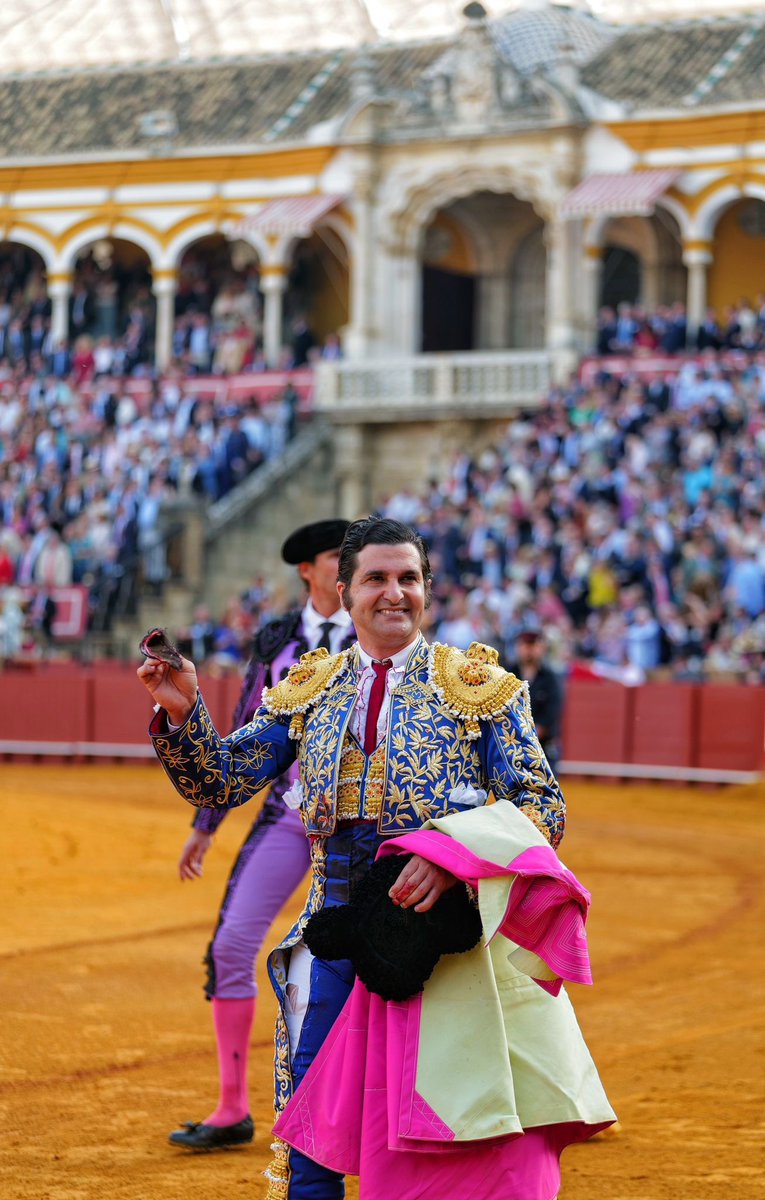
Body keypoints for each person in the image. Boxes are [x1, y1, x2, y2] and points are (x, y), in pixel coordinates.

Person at [139, 517, 611, 1199]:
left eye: (408, 579)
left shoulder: (476, 687)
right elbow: (222, 780)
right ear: (344, 589)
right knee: (313, 1132)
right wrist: (186, 716)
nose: (394, 593)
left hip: (439, 941)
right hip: (335, 930)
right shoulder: (311, 687)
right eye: (377, 579)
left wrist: (452, 854)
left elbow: (543, 805)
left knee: (442, 1132)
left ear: (426, 588)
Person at [166, 518, 354, 1151]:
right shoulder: (276, 640)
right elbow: (247, 733)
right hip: (287, 815)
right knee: (229, 948)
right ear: (308, 568)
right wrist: (206, 823)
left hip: (366, 821)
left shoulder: (383, 632)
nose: (350, 568)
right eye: (339, 557)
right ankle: (231, 1108)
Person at [506, 621, 563, 773]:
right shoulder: (507, 674)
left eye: (533, 645)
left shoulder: (550, 677)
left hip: (542, 744)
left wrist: (531, 735)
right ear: (518, 647)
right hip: (512, 742)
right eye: (525, 645)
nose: (529, 650)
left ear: (542, 648)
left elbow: (552, 710)